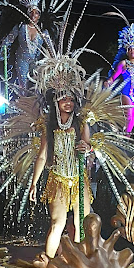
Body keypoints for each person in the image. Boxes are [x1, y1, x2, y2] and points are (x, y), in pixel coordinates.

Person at [29, 91, 92, 258]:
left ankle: (78, 262)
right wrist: (34, 183)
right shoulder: (48, 126)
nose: (68, 103)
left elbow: (88, 145)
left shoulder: (81, 123)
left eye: (71, 99)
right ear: (56, 102)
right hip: (57, 179)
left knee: (81, 224)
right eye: (64, 99)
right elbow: (42, 156)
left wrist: (87, 148)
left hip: (79, 179)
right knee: (57, 224)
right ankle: (48, 263)